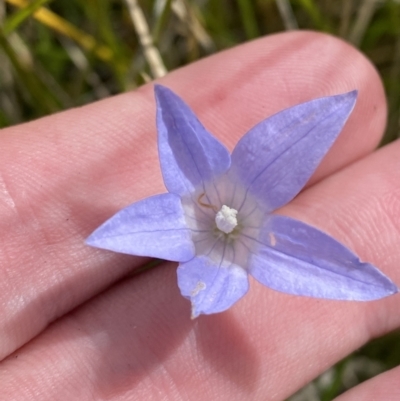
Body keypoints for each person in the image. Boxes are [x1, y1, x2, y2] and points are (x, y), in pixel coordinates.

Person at [0, 31, 398, 400]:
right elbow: (176, 136)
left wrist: (202, 298)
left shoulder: (241, 229)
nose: (227, 218)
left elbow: (215, 288)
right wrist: (200, 298)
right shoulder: (186, 220)